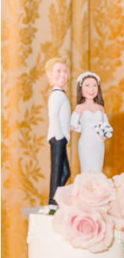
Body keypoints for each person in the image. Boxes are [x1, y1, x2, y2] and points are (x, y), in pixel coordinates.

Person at [70, 71, 112, 173]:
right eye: (87, 85)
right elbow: (72, 125)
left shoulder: (100, 108)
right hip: (86, 143)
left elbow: (107, 126)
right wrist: (84, 129)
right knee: (87, 169)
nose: (91, 89)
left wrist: (104, 135)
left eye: (94, 85)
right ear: (81, 89)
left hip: (98, 143)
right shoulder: (80, 108)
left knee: (98, 169)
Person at [45, 57, 71, 205]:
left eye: (65, 71)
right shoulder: (56, 95)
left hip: (61, 138)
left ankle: (55, 200)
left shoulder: (61, 94)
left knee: (66, 172)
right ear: (50, 75)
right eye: (58, 71)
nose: (62, 74)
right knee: (57, 171)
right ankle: (52, 202)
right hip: (57, 138)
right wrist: (60, 136)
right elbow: (53, 116)